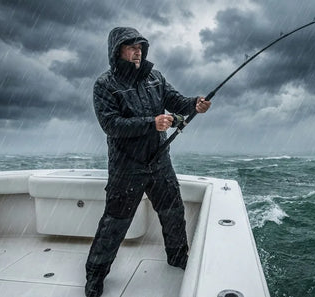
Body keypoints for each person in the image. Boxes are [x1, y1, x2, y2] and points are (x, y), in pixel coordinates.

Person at [85, 27, 211, 297]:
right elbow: (111, 125)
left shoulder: (156, 78)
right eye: (131, 46)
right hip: (126, 167)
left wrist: (195, 104)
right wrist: (150, 123)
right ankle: (95, 276)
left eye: (140, 46)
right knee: (115, 223)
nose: (137, 50)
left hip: (159, 162)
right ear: (116, 51)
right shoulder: (105, 85)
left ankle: (177, 257)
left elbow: (176, 101)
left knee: (173, 211)